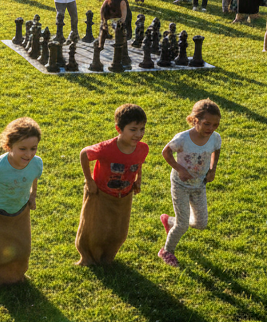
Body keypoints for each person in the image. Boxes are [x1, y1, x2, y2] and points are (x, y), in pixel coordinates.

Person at [75, 104, 148, 266]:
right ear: (119, 129)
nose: (139, 134)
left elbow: (139, 163)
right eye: (133, 129)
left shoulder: (143, 149)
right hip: (101, 194)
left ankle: (108, 257)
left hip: (124, 196)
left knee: (118, 229)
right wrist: (89, 180)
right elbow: (84, 154)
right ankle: (88, 258)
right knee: (95, 227)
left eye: (142, 129)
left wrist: (138, 180)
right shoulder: (106, 149)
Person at [0, 118, 42, 286]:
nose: (29, 154)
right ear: (8, 147)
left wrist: (33, 195)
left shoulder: (36, 163)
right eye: (22, 149)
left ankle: (16, 275)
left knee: (22, 248)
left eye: (33, 148)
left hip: (20, 211)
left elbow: (34, 178)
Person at [158, 98, 222, 268]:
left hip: (199, 185)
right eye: (207, 124)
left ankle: (169, 221)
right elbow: (166, 152)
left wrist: (212, 169)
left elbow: (217, 150)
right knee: (183, 224)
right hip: (180, 185)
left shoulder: (215, 138)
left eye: (215, 125)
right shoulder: (182, 139)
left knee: (201, 224)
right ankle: (166, 251)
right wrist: (179, 168)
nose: (211, 128)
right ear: (195, 120)